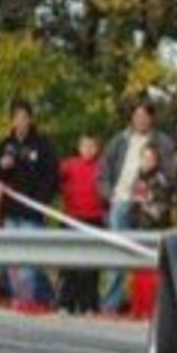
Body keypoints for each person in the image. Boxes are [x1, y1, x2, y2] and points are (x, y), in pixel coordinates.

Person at [96, 96, 175, 313]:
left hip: (148, 207)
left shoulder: (164, 143)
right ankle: (110, 306)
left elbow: (171, 176)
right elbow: (102, 171)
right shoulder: (119, 140)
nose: (140, 120)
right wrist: (108, 194)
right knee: (117, 255)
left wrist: (155, 195)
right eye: (136, 115)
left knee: (147, 259)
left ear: (152, 118)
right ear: (131, 117)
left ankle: (146, 307)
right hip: (120, 202)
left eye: (144, 116)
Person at [0, 99, 60, 313]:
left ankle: (30, 301)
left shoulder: (42, 145)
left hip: (32, 212)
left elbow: (52, 176)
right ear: (11, 121)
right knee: (11, 261)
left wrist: (41, 202)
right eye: (16, 118)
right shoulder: (5, 144)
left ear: (30, 119)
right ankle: (21, 298)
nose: (20, 122)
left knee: (29, 261)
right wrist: (2, 166)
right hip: (11, 211)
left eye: (24, 117)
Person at [57, 133, 106, 314]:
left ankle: (89, 305)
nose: (88, 150)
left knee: (91, 266)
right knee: (69, 264)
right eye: (85, 146)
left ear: (97, 148)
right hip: (72, 218)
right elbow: (54, 179)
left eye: (92, 146)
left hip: (94, 219)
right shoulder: (69, 165)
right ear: (79, 147)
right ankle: (65, 303)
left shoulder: (102, 167)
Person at [128, 143, 174, 318]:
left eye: (150, 158)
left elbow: (162, 209)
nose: (147, 162)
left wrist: (146, 204)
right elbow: (134, 202)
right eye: (144, 158)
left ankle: (150, 309)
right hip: (139, 227)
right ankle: (138, 308)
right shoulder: (139, 177)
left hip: (154, 229)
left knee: (151, 274)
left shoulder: (160, 179)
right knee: (139, 272)